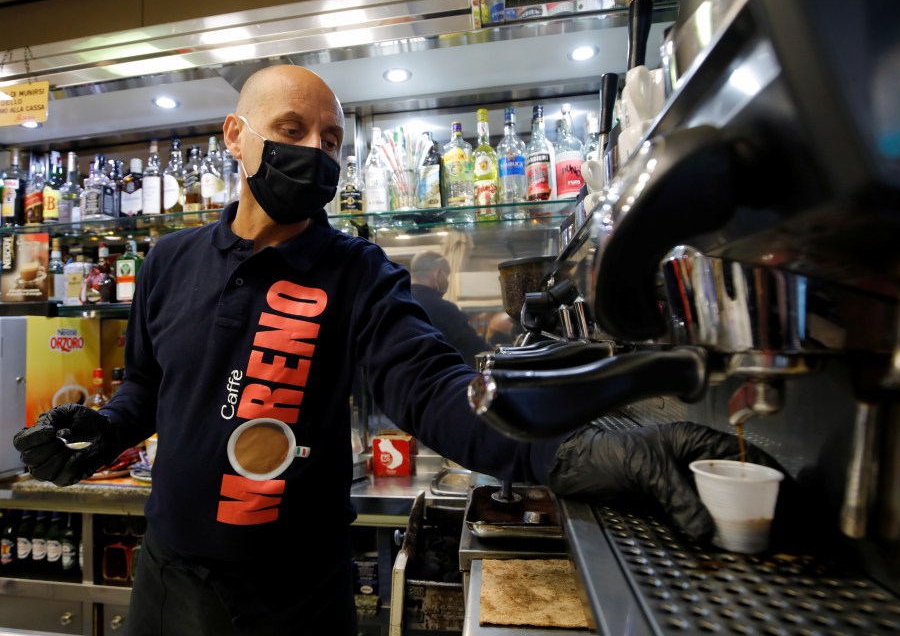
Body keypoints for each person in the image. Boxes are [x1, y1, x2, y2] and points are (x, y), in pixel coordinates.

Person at [12, 65, 789, 635]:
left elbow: (437, 394)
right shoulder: (169, 261)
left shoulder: (356, 274)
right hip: (167, 580)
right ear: (236, 137)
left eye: (331, 140)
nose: (315, 152)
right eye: (291, 132)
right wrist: (104, 431)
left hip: (297, 599)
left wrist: (589, 456)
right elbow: (145, 388)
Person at [409, 250, 490, 366]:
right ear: (438, 274)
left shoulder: (397, 303)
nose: (447, 280)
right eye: (447, 275)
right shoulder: (445, 310)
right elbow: (475, 349)